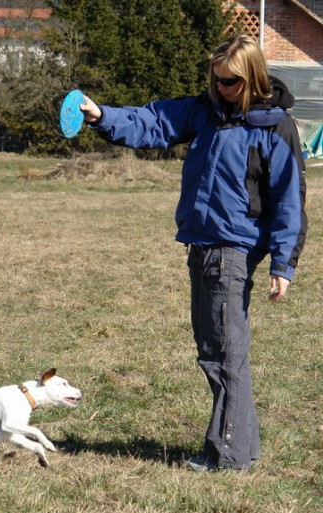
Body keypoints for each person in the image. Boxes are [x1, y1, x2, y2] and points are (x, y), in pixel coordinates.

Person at [80, 34, 307, 471]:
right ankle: (241, 448)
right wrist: (100, 114)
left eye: (231, 82)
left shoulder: (274, 126)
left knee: (223, 353)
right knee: (218, 348)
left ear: (253, 76)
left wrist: (284, 262)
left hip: (232, 251)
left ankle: (228, 456)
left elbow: (289, 199)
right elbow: (151, 121)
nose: (222, 88)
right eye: (217, 79)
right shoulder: (204, 112)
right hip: (201, 245)